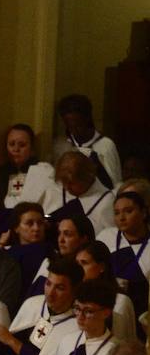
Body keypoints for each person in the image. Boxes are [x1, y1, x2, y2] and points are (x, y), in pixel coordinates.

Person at [96, 189, 150, 322]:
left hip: (142, 314)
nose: (121, 217)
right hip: (107, 308)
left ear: (143, 213)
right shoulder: (106, 236)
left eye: (128, 211)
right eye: (116, 213)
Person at [53, 94, 122, 190]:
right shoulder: (63, 145)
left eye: (78, 125)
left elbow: (114, 184)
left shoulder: (106, 145)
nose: (75, 131)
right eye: (70, 126)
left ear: (87, 119)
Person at [42, 151, 116, 235]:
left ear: (86, 178)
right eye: (63, 182)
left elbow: (109, 238)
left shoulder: (106, 202)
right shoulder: (56, 190)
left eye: (71, 183)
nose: (67, 187)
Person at [0, 123, 57, 208]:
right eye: (11, 144)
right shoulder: (0, 173)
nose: (16, 149)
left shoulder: (43, 171)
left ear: (32, 147)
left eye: (22, 145)